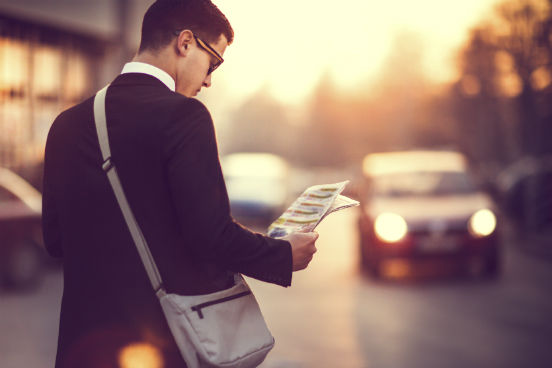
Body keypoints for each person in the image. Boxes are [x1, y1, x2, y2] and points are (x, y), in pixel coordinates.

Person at [42, 0, 318, 367]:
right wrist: (283, 255)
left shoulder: (66, 124)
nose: (208, 79)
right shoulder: (184, 116)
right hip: (160, 345)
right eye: (214, 62)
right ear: (186, 43)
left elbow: (55, 240)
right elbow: (211, 235)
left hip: (82, 349)